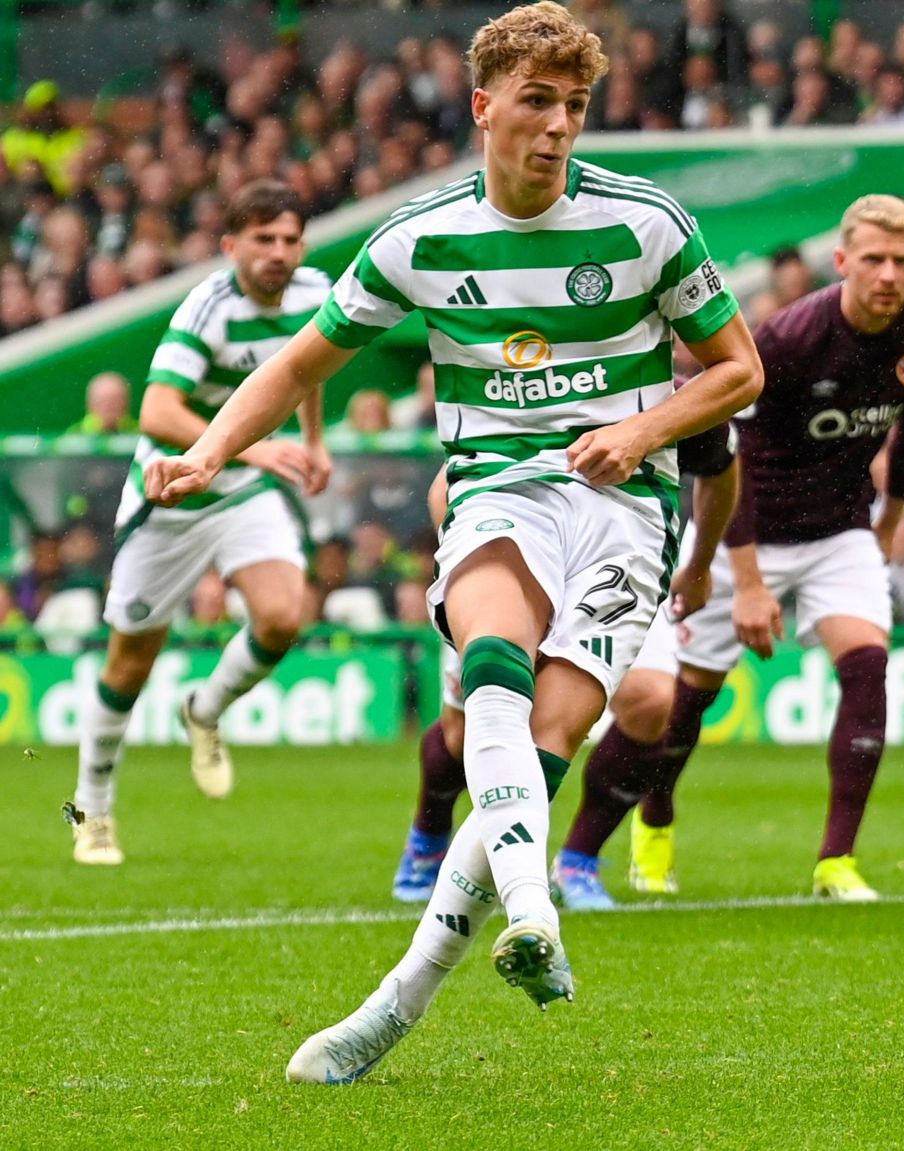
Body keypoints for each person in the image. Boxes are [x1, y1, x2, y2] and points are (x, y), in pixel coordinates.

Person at [144, 3, 763, 1082]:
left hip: (625, 511)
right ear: (483, 107)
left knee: (544, 745)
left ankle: (395, 1002)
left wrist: (639, 426)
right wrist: (207, 451)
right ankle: (536, 913)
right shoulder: (417, 237)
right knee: (492, 669)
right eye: (536, 101)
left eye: (573, 106)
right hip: (493, 489)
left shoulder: (647, 223)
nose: (558, 126)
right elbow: (297, 365)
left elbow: (737, 369)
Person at [554, 193, 904, 907]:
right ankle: (649, 818)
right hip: (752, 527)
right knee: (685, 703)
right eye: (873, 259)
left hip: (840, 530)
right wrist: (744, 582)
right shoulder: (791, 337)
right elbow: (733, 457)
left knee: (868, 668)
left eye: (902, 260)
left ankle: (837, 861)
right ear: (842, 262)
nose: (888, 273)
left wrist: (889, 518)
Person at [67, 180, 332, 868]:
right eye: (262, 240)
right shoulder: (207, 308)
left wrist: (314, 439)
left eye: (289, 239)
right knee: (128, 664)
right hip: (172, 495)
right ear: (230, 246)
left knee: (281, 617)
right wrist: (255, 445)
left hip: (244, 490)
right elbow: (157, 412)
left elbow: (309, 365)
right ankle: (90, 810)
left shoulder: (314, 291)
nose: (278, 253)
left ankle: (205, 709)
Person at [389, 419, 739, 904]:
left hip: (624, 557)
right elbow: (449, 481)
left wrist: (699, 565)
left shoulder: (671, 395)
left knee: (653, 702)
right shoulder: (533, 374)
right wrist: (468, 554)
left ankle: (578, 860)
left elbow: (721, 466)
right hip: (518, 548)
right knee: (463, 731)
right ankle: (430, 832)